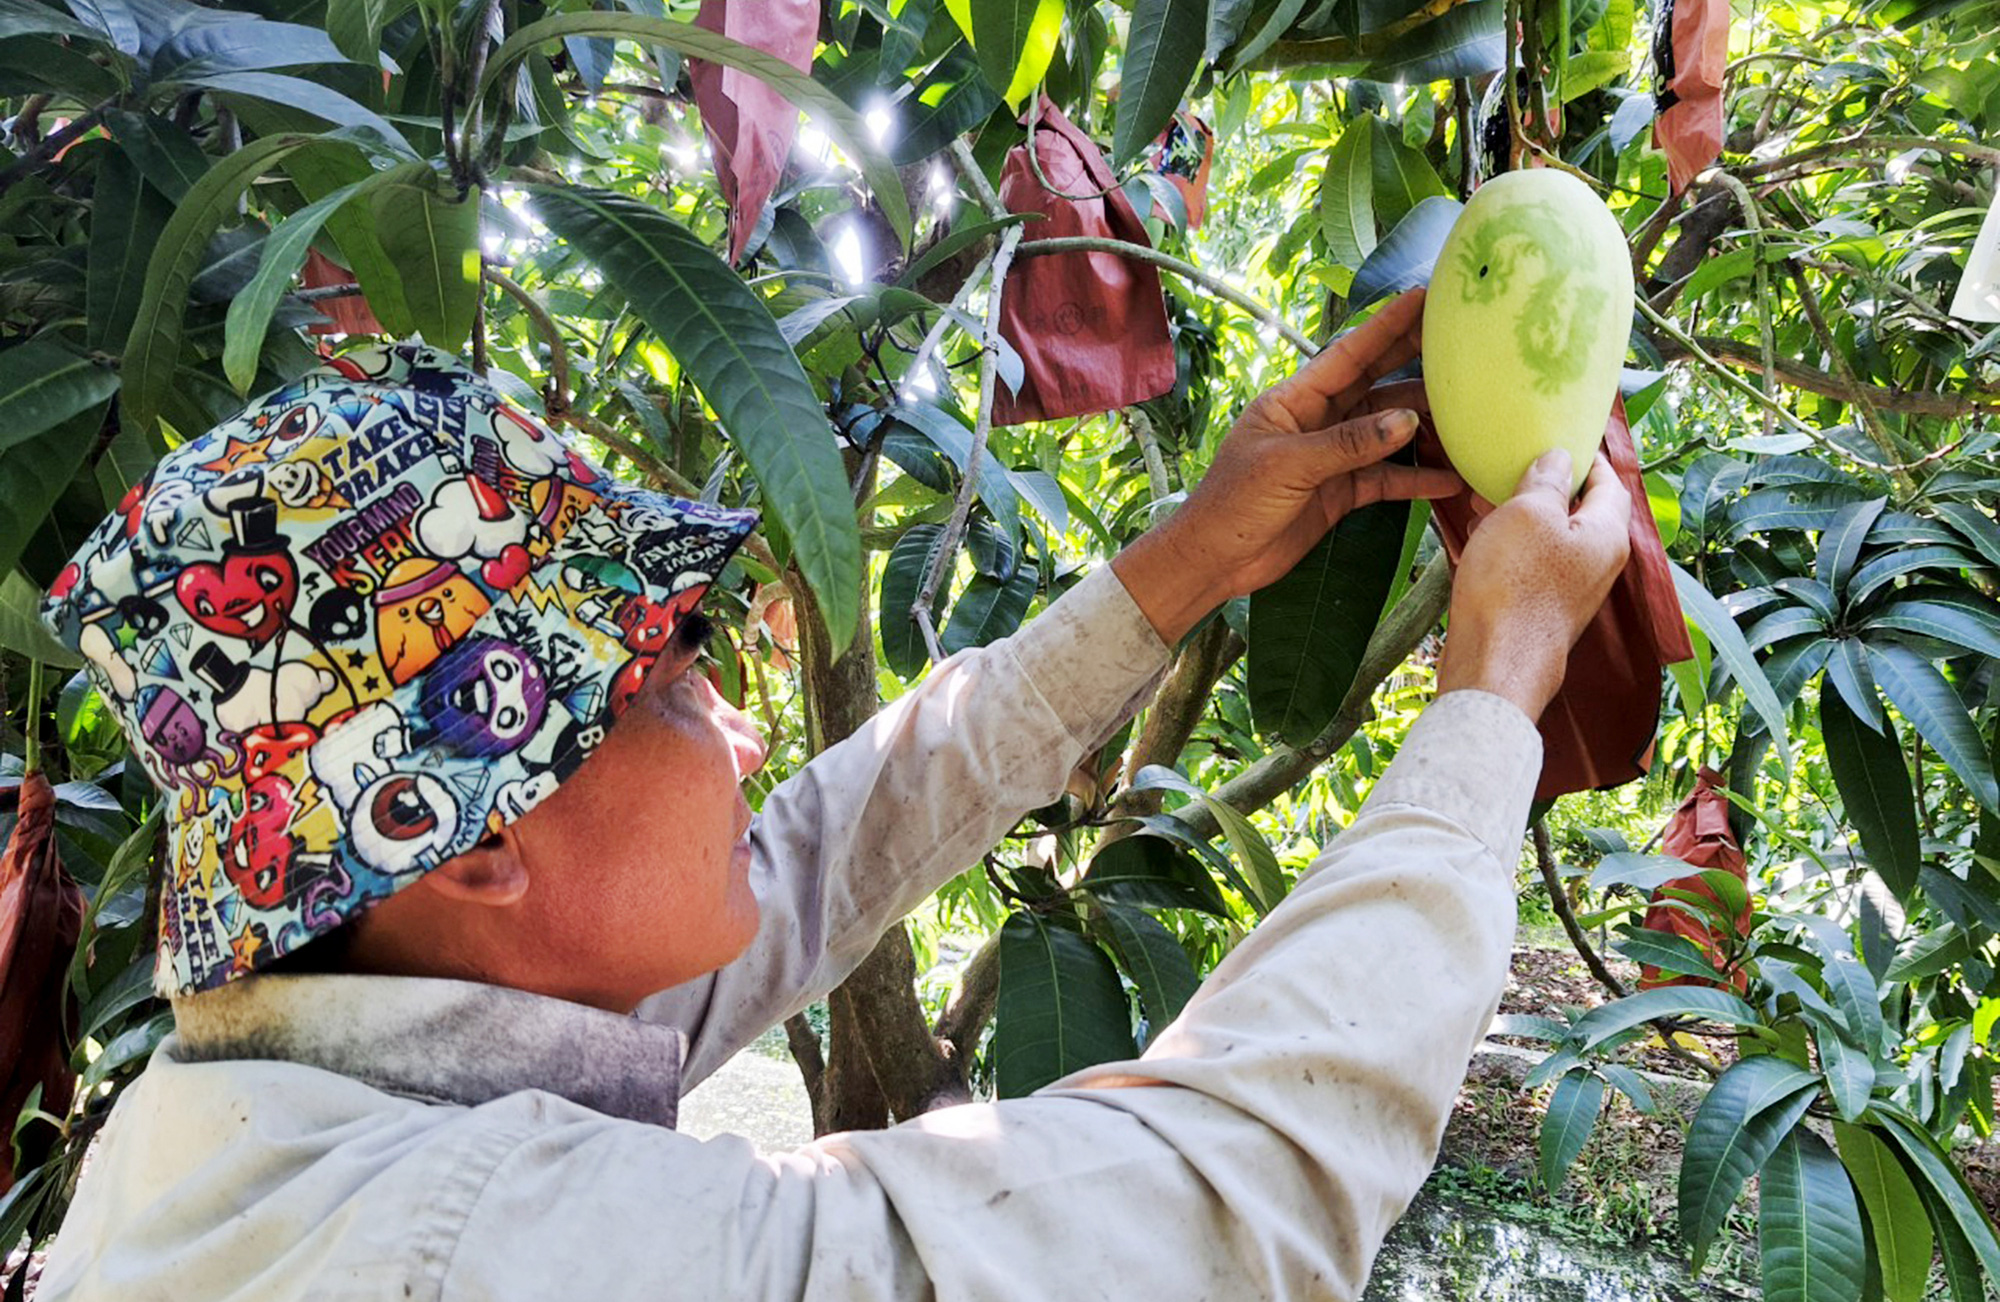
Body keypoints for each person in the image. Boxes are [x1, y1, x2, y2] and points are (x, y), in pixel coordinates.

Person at [34, 286, 1630, 1301]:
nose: (738, 733)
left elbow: (825, 844)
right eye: (669, 682)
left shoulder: (289, 1082)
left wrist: (1189, 558)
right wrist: (1491, 703)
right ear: (479, 841)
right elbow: (1215, 1208)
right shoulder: (482, 1250)